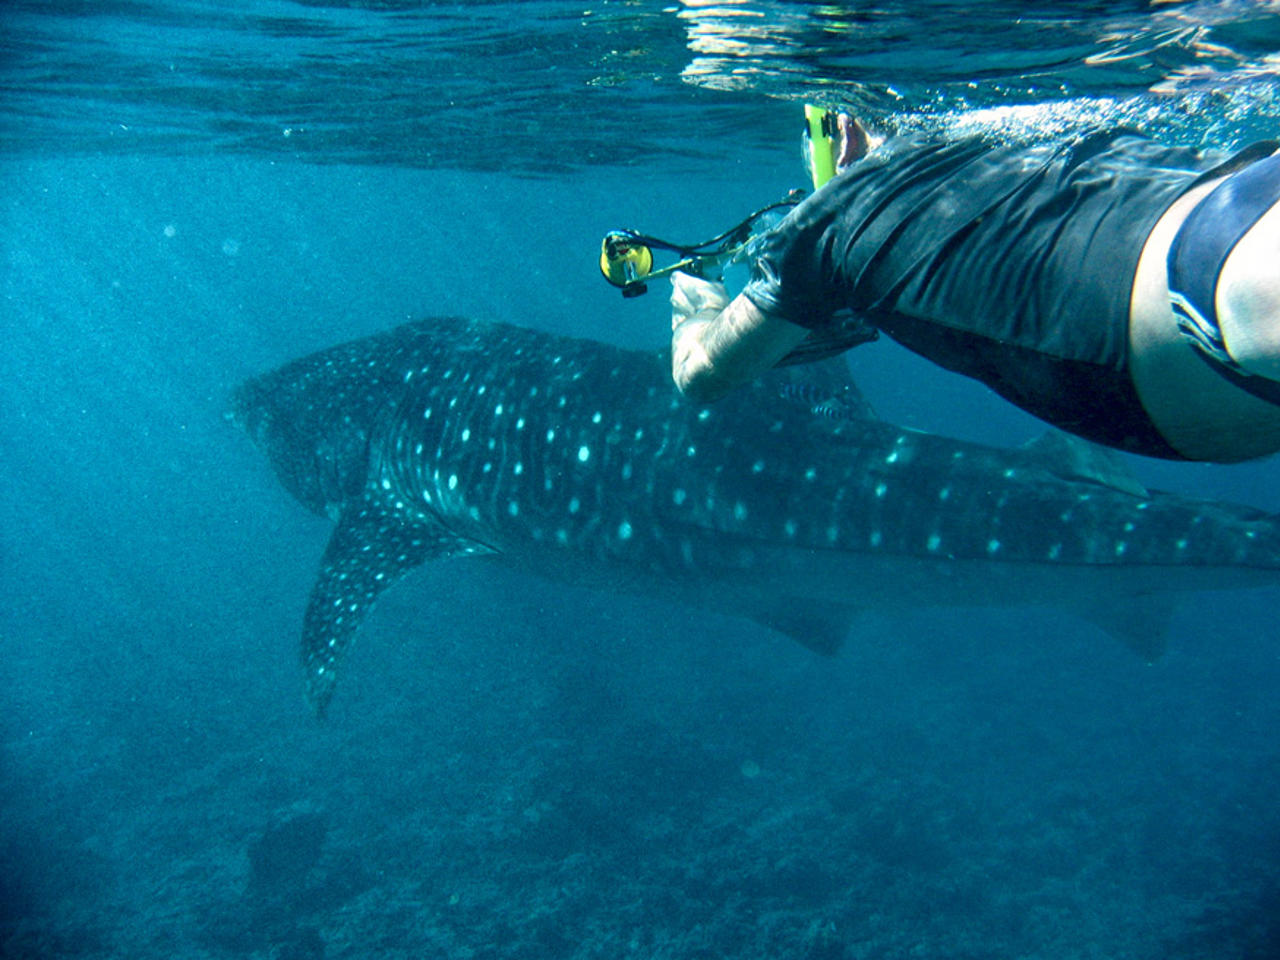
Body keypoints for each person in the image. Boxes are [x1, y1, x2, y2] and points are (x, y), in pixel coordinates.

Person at [669, 115, 1280, 463]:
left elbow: (702, 374)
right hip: (1225, 214)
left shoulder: (831, 218)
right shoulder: (1014, 130)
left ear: (840, 133)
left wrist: (697, 315)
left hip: (1198, 290)